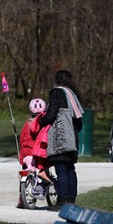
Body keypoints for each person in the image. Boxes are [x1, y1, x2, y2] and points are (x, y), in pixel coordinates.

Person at [40, 69, 83, 207]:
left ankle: (63, 199)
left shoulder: (57, 93)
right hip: (73, 138)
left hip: (61, 138)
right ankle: (71, 198)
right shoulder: (73, 95)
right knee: (70, 168)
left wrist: (41, 122)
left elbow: (52, 114)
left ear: (57, 80)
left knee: (61, 167)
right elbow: (79, 121)